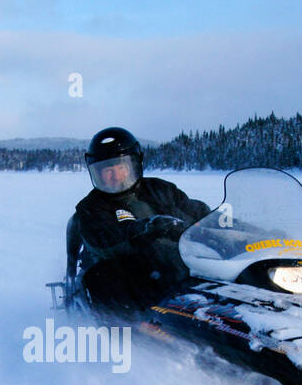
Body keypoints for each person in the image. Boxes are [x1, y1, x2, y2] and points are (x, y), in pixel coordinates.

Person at [66, 127, 211, 308]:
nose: (116, 175)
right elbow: (102, 242)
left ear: (133, 165)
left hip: (180, 265)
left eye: (121, 167)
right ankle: (130, 330)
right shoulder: (91, 207)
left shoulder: (160, 189)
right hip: (130, 280)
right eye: (107, 170)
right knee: (106, 275)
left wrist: (218, 220)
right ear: (96, 172)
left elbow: (193, 210)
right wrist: (145, 228)